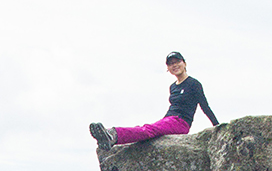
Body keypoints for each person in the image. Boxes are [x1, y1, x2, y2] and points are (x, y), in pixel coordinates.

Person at [90, 53, 219, 149]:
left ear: (184, 63)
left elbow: (204, 106)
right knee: (145, 129)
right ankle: (109, 138)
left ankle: (113, 134)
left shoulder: (193, 84)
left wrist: (217, 126)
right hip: (169, 119)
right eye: (170, 63)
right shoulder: (173, 87)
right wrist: (163, 122)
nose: (174, 65)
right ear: (168, 68)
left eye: (177, 61)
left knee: (148, 130)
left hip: (181, 122)